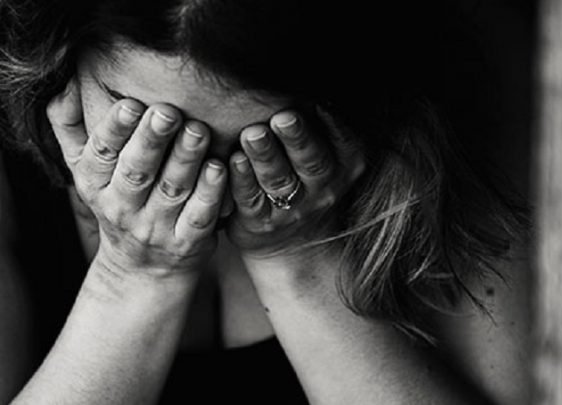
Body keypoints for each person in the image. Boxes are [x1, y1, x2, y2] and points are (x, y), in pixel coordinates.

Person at [0, 0, 533, 403]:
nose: (199, 182)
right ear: (60, 56)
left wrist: (299, 259)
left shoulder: (473, 76)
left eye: (260, 143)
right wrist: (131, 276)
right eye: (146, 125)